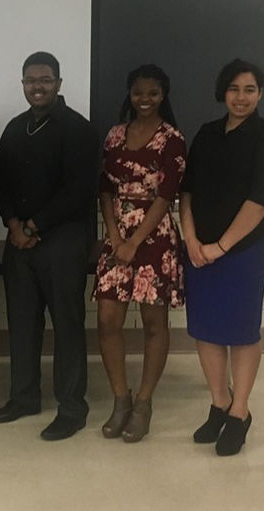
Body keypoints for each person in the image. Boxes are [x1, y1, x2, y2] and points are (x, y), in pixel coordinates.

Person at [0, 51, 99, 441]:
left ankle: (72, 407)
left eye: (45, 80)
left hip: (64, 241)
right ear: (22, 84)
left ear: (58, 83)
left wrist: (35, 224)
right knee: (22, 323)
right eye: (31, 80)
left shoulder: (78, 129)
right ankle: (23, 398)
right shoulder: (15, 128)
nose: (38, 86)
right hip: (20, 242)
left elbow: (80, 190)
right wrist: (14, 223)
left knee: (67, 325)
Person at [179, 59, 264, 456]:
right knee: (205, 329)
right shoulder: (206, 134)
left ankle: (240, 410)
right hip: (199, 250)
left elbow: (260, 200)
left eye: (250, 90)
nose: (241, 97)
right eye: (235, 89)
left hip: (244, 250)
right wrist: (190, 239)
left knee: (241, 331)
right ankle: (218, 404)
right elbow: (185, 191)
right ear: (223, 92)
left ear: (260, 94)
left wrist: (220, 247)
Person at [93, 64, 186, 443]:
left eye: (152, 93)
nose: (144, 99)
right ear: (129, 95)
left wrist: (135, 241)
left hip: (155, 237)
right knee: (107, 320)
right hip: (117, 237)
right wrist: (116, 236)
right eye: (138, 93)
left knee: (153, 324)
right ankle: (120, 398)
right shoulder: (115, 134)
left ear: (163, 95)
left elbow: (167, 196)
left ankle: (144, 402)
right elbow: (104, 188)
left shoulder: (172, 139)